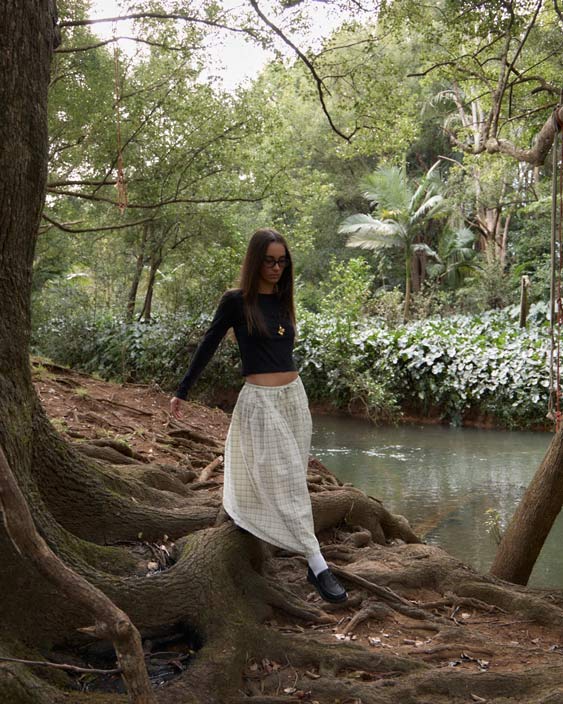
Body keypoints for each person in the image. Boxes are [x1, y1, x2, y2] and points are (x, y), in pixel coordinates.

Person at [170, 228, 347, 603]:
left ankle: (258, 528)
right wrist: (183, 391)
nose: (277, 268)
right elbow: (208, 344)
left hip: (293, 399)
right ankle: (317, 563)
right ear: (255, 261)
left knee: (292, 476)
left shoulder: (284, 299)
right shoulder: (236, 301)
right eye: (269, 261)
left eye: (282, 261)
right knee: (285, 477)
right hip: (260, 402)